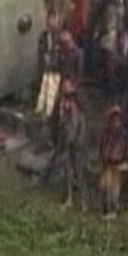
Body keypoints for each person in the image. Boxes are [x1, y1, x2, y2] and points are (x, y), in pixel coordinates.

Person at [52, 79, 88, 210]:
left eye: (67, 86)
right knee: (67, 171)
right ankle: (69, 198)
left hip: (77, 142)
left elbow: (77, 125)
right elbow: (59, 122)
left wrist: (72, 140)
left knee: (79, 171)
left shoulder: (77, 105)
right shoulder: (61, 103)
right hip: (66, 140)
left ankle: (84, 201)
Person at [99, 106, 128, 219]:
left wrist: (125, 161)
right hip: (107, 163)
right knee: (105, 186)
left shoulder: (123, 134)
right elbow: (102, 146)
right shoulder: (106, 133)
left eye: (117, 119)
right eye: (113, 118)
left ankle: (113, 209)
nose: (115, 121)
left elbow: (125, 149)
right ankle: (106, 207)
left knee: (114, 189)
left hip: (117, 163)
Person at [35, 11, 62, 118]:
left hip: (55, 68)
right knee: (44, 90)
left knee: (51, 91)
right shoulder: (44, 35)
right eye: (50, 19)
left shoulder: (59, 36)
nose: (51, 22)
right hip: (46, 67)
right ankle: (40, 111)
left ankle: (48, 113)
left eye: (53, 19)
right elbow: (40, 50)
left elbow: (60, 52)